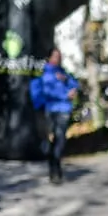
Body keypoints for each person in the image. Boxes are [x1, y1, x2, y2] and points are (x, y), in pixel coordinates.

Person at [38, 48, 79, 183]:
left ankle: (56, 166)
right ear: (49, 58)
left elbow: (75, 83)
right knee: (53, 139)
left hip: (64, 109)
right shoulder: (46, 73)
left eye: (59, 56)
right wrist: (65, 95)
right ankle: (54, 168)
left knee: (60, 139)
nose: (58, 59)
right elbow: (47, 92)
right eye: (55, 56)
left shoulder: (62, 72)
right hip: (52, 109)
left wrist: (68, 82)